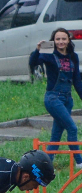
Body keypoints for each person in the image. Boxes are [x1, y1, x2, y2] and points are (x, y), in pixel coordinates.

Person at [29, 28, 82, 167]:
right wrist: (37, 50)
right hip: (53, 98)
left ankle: (46, 163)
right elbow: (33, 63)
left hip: (67, 99)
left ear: (68, 40)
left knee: (56, 135)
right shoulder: (49, 54)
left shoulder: (73, 57)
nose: (61, 42)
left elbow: (77, 80)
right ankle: (79, 162)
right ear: (53, 40)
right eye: (57, 39)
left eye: (64, 39)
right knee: (72, 128)